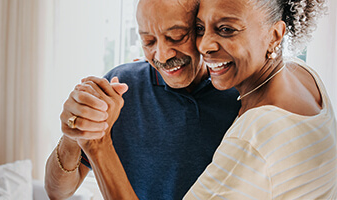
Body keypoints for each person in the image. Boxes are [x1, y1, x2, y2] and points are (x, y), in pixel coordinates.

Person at [62, 0, 337, 199]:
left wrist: (98, 144)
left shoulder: (252, 134)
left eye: (226, 29)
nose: (205, 45)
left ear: (276, 35)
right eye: (201, 28)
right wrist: (74, 133)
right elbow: (58, 190)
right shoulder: (305, 77)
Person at [44, 0, 241, 199]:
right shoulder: (120, 86)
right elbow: (57, 192)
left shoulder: (241, 97)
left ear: (202, 29)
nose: (162, 56)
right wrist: (72, 136)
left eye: (176, 37)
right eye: (149, 41)